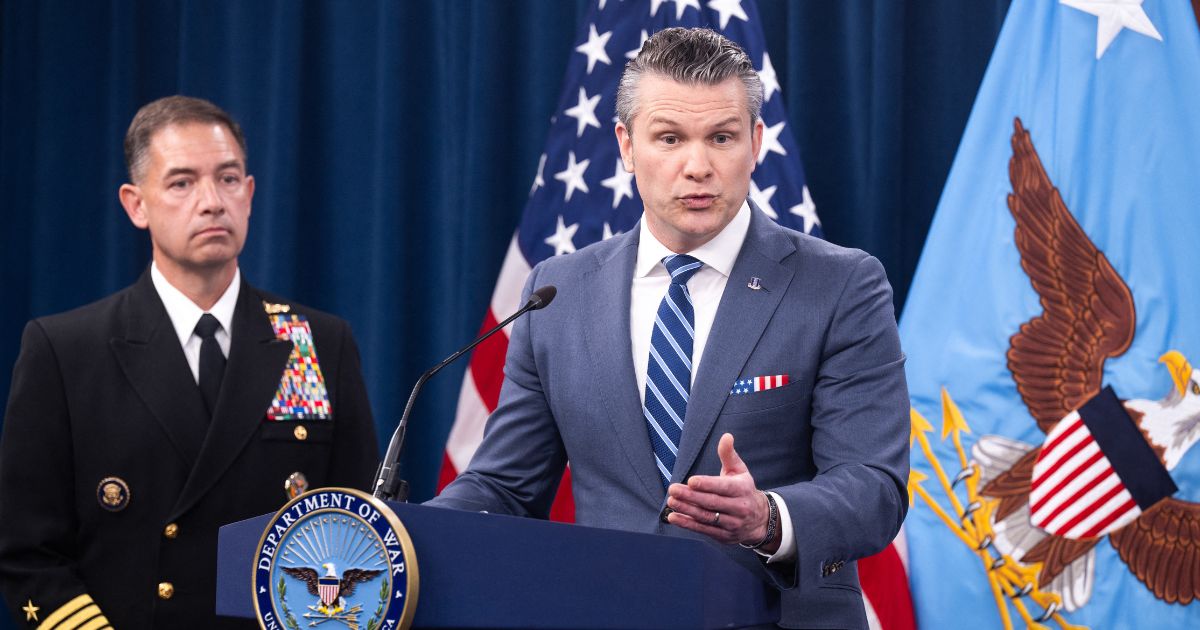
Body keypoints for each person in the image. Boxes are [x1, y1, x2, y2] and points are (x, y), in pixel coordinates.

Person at [430, 27, 909, 629]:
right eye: (670, 138)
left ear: (756, 143)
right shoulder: (558, 293)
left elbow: (874, 488)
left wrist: (768, 517)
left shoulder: (840, 286)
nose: (698, 166)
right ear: (627, 147)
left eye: (722, 138)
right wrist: (402, 538)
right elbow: (503, 488)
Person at [0, 96, 379, 629]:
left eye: (228, 179)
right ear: (136, 205)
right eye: (181, 183)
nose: (211, 202)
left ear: (249, 195)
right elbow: (29, 552)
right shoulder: (65, 350)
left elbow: (355, 527)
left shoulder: (316, 340)